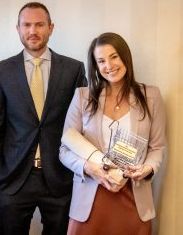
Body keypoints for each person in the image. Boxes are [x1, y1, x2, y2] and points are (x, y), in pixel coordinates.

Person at [0, 2, 87, 235]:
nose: (33, 31)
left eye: (39, 24)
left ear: (51, 28)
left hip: (60, 177)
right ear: (18, 29)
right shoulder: (1, 71)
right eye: (27, 25)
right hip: (14, 178)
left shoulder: (73, 70)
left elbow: (82, 127)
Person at [59, 32, 166, 235]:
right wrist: (90, 168)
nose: (109, 65)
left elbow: (157, 148)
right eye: (101, 61)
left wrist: (147, 169)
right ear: (96, 66)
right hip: (91, 196)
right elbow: (65, 149)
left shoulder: (151, 96)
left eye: (114, 56)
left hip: (133, 197)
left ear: (125, 56)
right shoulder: (83, 97)